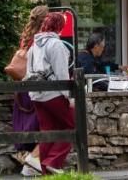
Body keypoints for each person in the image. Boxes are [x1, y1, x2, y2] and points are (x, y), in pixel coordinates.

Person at [26, 12, 76, 175]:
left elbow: (29, 72)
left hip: (36, 94)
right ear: (59, 26)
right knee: (72, 125)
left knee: (47, 130)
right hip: (53, 93)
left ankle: (45, 170)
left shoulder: (34, 45)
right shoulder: (56, 44)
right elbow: (62, 74)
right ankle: (53, 162)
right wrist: (69, 96)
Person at [7, 5, 48, 175]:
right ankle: (32, 162)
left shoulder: (26, 37)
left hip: (22, 88)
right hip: (35, 87)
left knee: (29, 126)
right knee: (45, 126)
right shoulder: (41, 39)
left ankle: (32, 162)